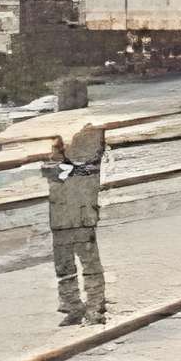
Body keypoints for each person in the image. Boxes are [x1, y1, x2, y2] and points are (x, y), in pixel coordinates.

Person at [42, 118, 109, 327]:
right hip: (61, 220)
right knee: (64, 268)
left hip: (81, 219)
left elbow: (62, 171)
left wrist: (63, 161)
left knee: (90, 266)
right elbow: (49, 170)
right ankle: (72, 307)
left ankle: (95, 307)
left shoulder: (88, 163)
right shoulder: (64, 161)